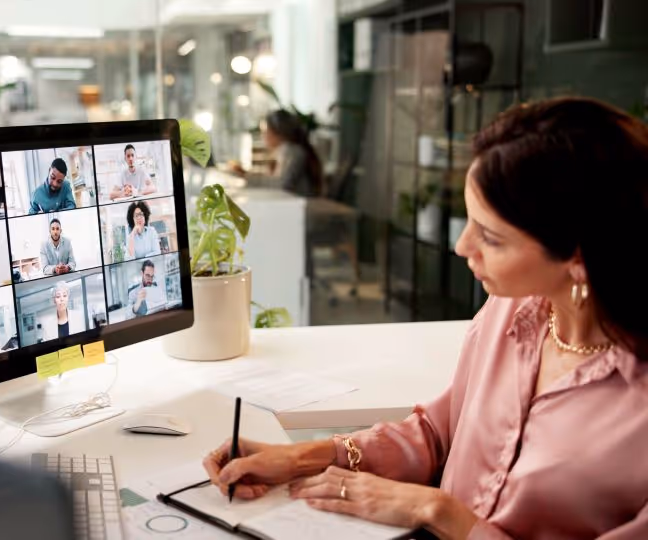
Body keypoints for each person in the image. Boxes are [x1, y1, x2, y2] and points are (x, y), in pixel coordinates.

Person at [202, 98, 648, 539]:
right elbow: (438, 433)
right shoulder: (509, 311)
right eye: (469, 222)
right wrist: (301, 457)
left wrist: (437, 510)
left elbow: (437, 500)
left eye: (491, 238)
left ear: (579, 258)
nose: (462, 247)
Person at [237, 110, 322, 197]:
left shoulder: (294, 152)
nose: (262, 135)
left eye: (265, 131)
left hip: (298, 204)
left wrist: (246, 176)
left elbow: (282, 184)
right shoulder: (282, 151)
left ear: (277, 132)